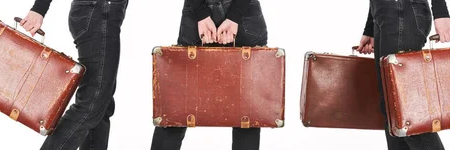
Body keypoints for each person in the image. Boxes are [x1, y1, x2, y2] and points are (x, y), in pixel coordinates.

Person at [150, 0, 268, 150]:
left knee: (178, 109)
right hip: (243, 13)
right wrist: (233, 15)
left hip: (204, 14)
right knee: (246, 113)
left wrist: (202, 14)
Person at [20, 0, 129, 149]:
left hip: (102, 13)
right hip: (97, 13)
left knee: (102, 104)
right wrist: (39, 8)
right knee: (91, 104)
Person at [356, 0, 450, 150]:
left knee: (404, 112)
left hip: (403, 13)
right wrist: (371, 26)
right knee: (391, 111)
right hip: (384, 15)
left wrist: (441, 12)